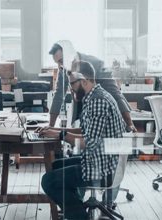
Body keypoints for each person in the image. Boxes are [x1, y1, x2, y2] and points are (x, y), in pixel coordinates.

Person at [41, 61, 127, 219]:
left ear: (84, 81)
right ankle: (75, 210)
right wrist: (57, 130)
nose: (70, 88)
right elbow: (88, 131)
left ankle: (79, 215)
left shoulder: (97, 101)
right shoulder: (95, 96)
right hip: (100, 160)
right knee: (54, 166)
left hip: (102, 168)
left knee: (48, 181)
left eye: (72, 84)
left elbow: (90, 142)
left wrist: (60, 136)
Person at [47, 40, 136, 132]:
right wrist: (51, 126)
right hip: (80, 111)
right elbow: (58, 95)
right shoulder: (62, 69)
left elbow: (115, 94)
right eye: (57, 63)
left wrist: (130, 124)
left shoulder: (96, 64)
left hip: (99, 110)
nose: (59, 66)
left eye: (61, 61)